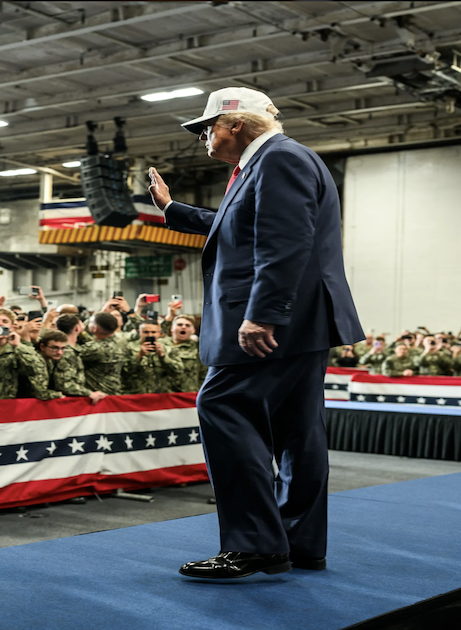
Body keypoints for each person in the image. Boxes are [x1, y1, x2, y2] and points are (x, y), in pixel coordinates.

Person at [149, 86, 364, 578]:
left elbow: (284, 240)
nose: (204, 137)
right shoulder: (276, 161)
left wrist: (264, 312)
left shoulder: (277, 161)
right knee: (297, 431)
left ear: (235, 126)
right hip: (304, 322)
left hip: (276, 322)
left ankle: (255, 544)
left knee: (221, 405)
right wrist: (172, 208)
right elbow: (239, 226)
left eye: (208, 128)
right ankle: (299, 542)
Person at [122, 321, 183, 394]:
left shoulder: (169, 348)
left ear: (159, 333)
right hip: (136, 394)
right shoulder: (129, 347)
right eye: (146, 332)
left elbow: (178, 371)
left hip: (162, 394)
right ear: (139, 332)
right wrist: (139, 355)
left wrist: (162, 356)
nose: (150, 335)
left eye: (153, 332)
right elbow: (124, 372)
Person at [168, 316, 207, 393]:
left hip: (189, 393)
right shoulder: (162, 344)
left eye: (187, 325)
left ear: (193, 330)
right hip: (164, 394)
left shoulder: (199, 348)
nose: (183, 327)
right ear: (172, 328)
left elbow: (204, 373)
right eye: (179, 324)